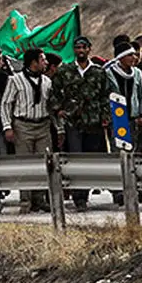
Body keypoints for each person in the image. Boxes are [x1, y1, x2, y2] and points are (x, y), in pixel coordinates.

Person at [49, 37, 108, 210]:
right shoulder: (65, 71)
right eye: (77, 48)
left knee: (90, 159)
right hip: (73, 122)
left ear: (89, 49)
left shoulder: (98, 72)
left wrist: (105, 116)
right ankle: (79, 197)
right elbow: (54, 93)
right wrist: (59, 109)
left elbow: (105, 95)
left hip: (94, 122)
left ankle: (86, 191)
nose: (80, 50)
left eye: (83, 47)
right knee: (75, 158)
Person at [2, 49, 55, 213]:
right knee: (24, 163)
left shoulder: (47, 81)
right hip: (23, 125)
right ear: (34, 62)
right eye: (43, 60)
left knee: (43, 163)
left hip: (43, 125)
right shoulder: (15, 80)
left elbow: (51, 106)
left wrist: (58, 128)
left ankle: (40, 199)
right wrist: (7, 126)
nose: (46, 63)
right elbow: (6, 104)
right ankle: (25, 200)